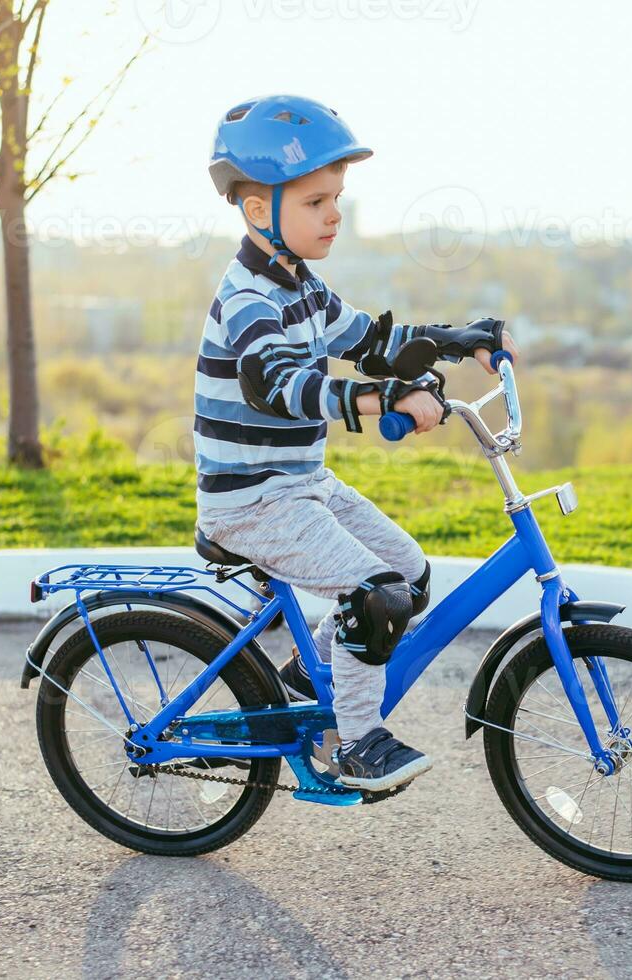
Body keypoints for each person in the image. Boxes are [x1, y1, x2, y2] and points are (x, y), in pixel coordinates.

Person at [194, 94, 520, 792]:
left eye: (336, 197)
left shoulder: (302, 285)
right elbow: (278, 384)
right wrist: (382, 401)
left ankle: (298, 680)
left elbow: (372, 342)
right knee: (376, 597)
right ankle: (356, 742)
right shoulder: (250, 298)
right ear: (259, 212)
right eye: (317, 201)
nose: (334, 213)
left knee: (411, 576)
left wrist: (462, 340)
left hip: (298, 485)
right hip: (249, 502)